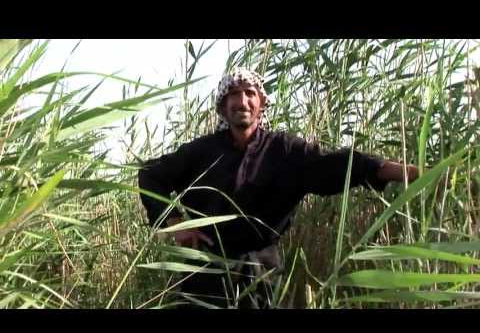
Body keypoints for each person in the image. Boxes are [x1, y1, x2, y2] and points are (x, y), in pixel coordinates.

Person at [138, 67, 419, 309]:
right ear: (223, 106)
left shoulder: (285, 150)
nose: (242, 101)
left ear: (261, 104)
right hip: (205, 271)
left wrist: (406, 172)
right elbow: (151, 175)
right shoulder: (201, 151)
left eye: (250, 94)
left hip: (262, 270)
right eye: (234, 94)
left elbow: (338, 165)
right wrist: (174, 224)